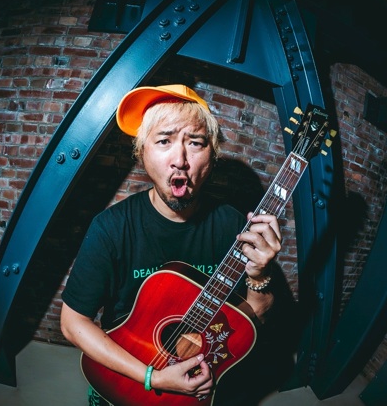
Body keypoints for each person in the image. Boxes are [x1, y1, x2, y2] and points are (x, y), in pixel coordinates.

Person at [60, 84, 297, 406]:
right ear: (141, 153)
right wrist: (152, 377)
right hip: (124, 373)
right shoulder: (111, 227)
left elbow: (256, 315)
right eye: (164, 141)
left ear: (212, 156)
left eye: (195, 142)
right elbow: (73, 323)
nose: (180, 160)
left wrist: (259, 274)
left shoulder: (232, 225)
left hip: (198, 372)